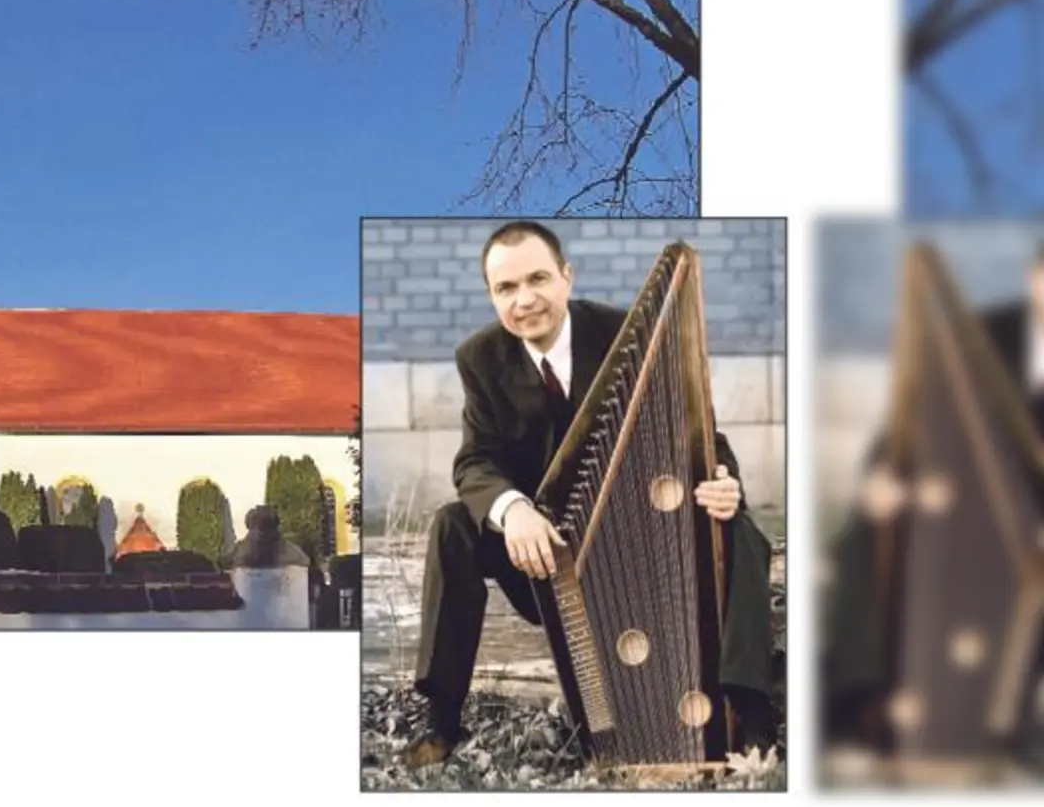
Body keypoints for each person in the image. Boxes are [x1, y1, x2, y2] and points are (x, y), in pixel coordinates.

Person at [401, 220, 775, 768]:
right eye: (506, 288)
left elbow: (703, 436)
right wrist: (514, 509)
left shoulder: (629, 335)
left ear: (567, 277)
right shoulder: (480, 358)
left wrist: (724, 481)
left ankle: (752, 713)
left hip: (644, 546)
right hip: (547, 562)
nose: (525, 300)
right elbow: (475, 461)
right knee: (453, 525)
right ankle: (441, 722)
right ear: (491, 295)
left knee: (740, 528)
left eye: (538, 279)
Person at [822, 241, 1044, 748]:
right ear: (1035, 279)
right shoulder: (984, 335)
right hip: (968, 499)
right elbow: (914, 412)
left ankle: (1004, 713)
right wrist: (885, 474)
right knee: (861, 538)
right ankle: (863, 700)